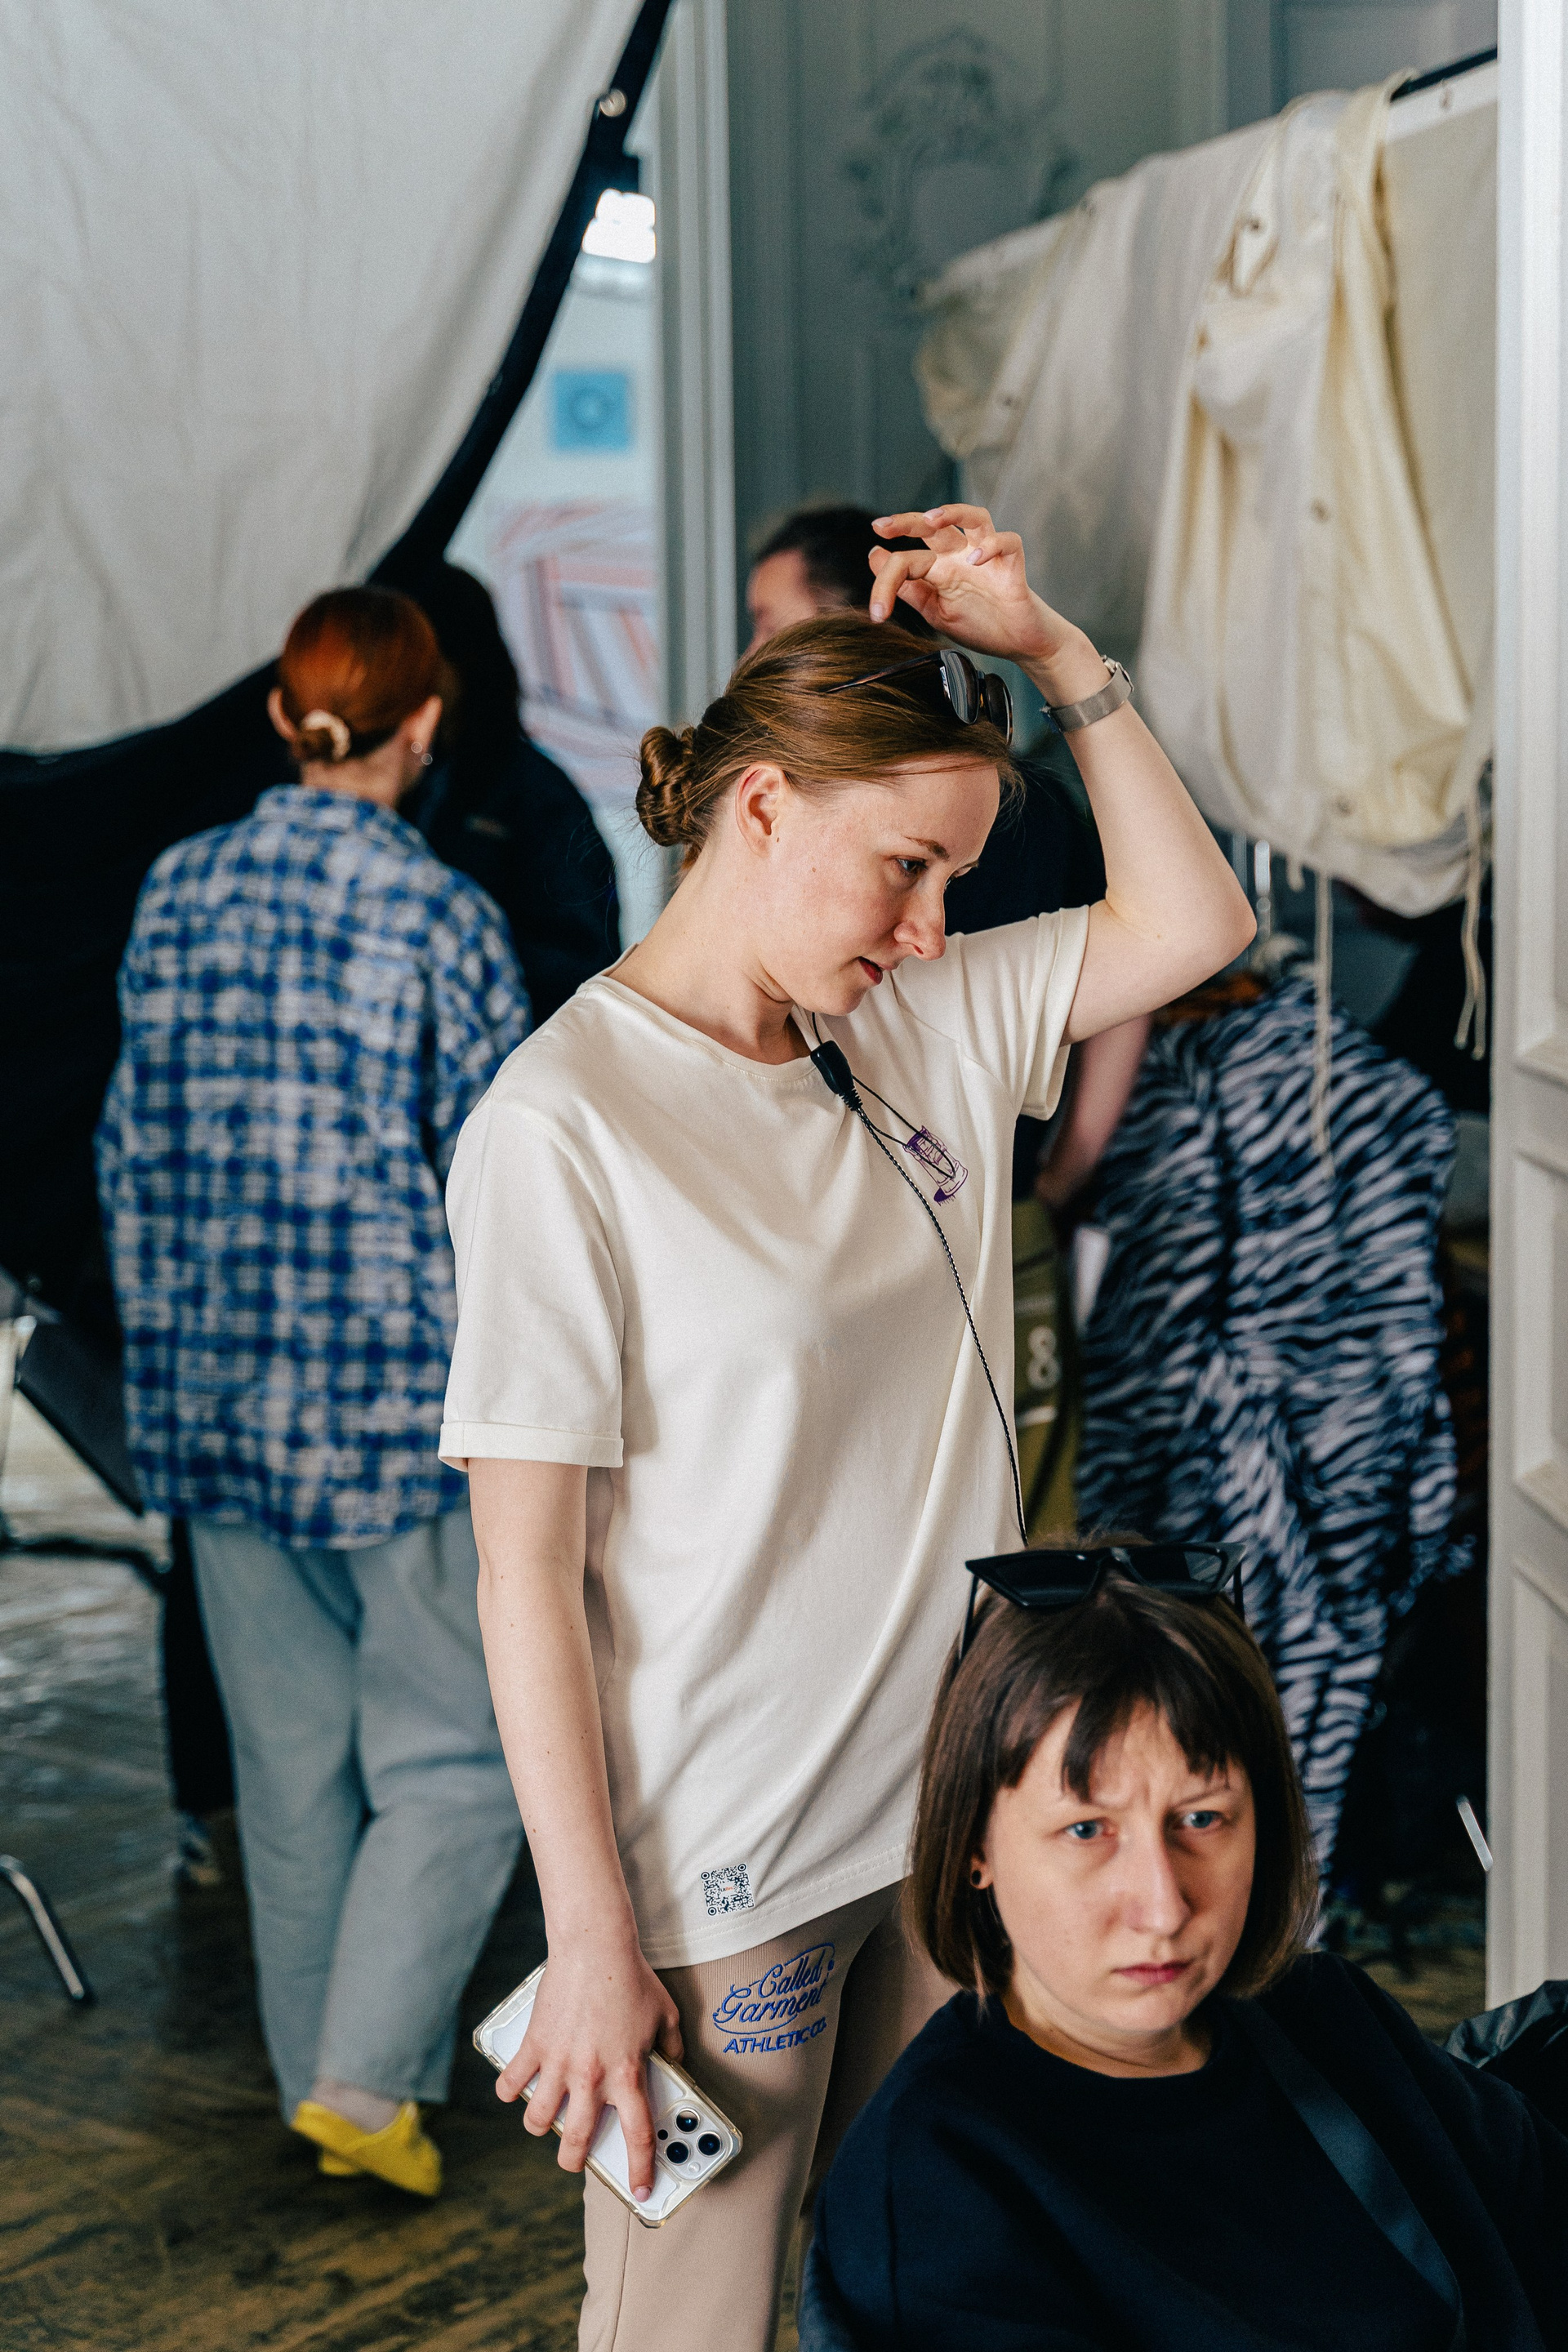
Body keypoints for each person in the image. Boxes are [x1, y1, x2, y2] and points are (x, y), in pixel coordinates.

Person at [441, 501, 1254, 2350]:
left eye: (954, 876)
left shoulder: (922, 1021)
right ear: (762, 807)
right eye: (903, 865)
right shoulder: (562, 1127)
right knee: (696, 2322)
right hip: (729, 1868)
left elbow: (1195, 921)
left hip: (950, 1816)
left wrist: (1057, 659)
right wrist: (589, 1937)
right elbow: (524, 1577)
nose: (930, 923)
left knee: (939, 2294)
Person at [96, 586, 531, 2197]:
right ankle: (364, 2081)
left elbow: (127, 1151)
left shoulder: (175, 891)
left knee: (289, 1776)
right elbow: (501, 1184)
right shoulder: (442, 919)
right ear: (428, 725)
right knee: (459, 1760)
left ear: (285, 719)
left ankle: (333, 2096)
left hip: (213, 1406)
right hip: (400, 1415)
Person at [804, 1560, 1568, 2350]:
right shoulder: (936, 2188)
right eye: (1086, 1831)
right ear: (975, 1845)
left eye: (1202, 1819)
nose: (1164, 1906)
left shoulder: (1324, 2016)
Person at [404, 561, 621, 1024]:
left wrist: (475, 969)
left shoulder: (538, 795)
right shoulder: (383, 784)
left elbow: (588, 962)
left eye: (410, 662)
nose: (397, 685)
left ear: (461, 661)